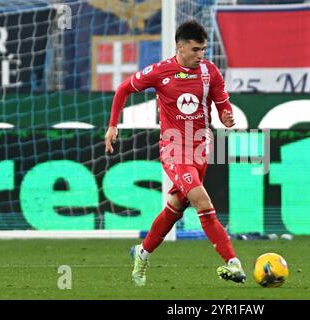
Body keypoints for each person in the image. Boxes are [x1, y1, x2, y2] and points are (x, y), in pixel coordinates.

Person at [105, 20, 246, 286]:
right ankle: (232, 262)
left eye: (204, 49)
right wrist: (113, 125)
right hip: (174, 149)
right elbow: (123, 89)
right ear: (180, 46)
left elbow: (222, 105)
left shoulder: (210, 72)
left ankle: (142, 253)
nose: (200, 55)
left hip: (201, 149)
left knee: (176, 207)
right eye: (195, 49)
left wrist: (226, 117)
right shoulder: (160, 72)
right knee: (202, 203)